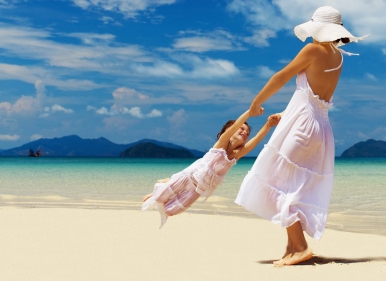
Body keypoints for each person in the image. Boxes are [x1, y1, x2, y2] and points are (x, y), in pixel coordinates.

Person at [235, 6, 368, 266]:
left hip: (303, 127)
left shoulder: (313, 50)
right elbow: (318, 98)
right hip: (321, 129)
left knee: (279, 182)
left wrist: (255, 103)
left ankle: (302, 247)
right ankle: (292, 248)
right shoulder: (338, 57)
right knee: (291, 184)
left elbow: (280, 77)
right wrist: (288, 112)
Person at [142, 109, 280, 228]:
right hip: (187, 177)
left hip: (198, 190)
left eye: (247, 132)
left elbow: (256, 140)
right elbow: (234, 127)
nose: (245, 132)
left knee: (170, 211)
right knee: (157, 198)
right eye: (241, 128)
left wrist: (268, 125)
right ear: (227, 130)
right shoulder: (221, 144)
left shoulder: (236, 155)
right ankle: (163, 186)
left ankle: (165, 184)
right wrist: (250, 113)